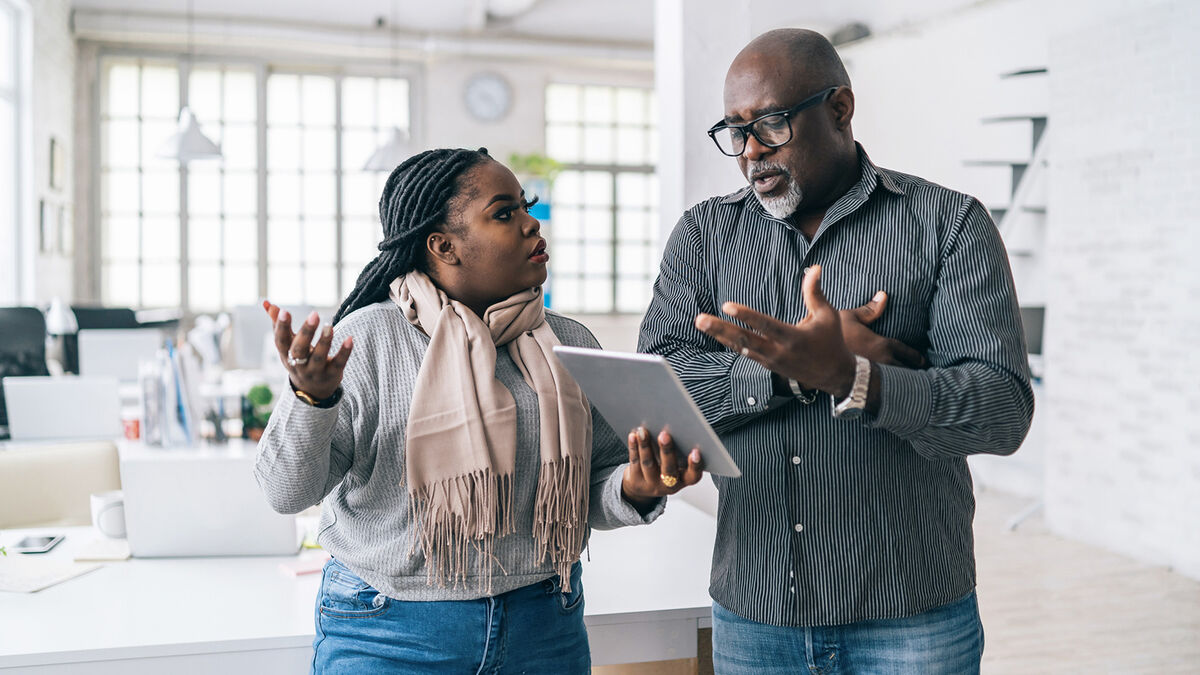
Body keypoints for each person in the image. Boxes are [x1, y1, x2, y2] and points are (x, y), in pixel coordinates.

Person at [638, 29, 1034, 674]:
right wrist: (792, 376)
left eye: (769, 123)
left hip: (912, 616)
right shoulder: (706, 233)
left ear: (840, 109)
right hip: (756, 612)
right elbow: (663, 389)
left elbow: (1000, 412)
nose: (750, 152)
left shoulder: (949, 225)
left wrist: (862, 380)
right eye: (734, 130)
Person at [254, 147, 703, 674]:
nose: (531, 223)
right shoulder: (367, 341)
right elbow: (287, 493)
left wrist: (636, 488)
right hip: (388, 632)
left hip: (544, 626)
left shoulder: (570, 343)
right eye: (504, 212)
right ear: (443, 246)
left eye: (525, 206)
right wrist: (311, 398)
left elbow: (593, 487)